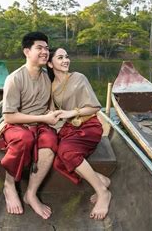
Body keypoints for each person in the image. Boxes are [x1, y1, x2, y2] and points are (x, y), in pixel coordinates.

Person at [0, 32, 62, 219]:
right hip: (18, 125)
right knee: (24, 139)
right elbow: (9, 117)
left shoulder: (47, 77)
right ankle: (9, 185)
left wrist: (52, 114)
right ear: (27, 51)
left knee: (50, 141)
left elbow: (48, 105)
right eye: (39, 48)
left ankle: (31, 194)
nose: (45, 52)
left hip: (41, 125)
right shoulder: (15, 79)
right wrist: (43, 119)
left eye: (47, 48)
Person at [46, 47, 112, 220]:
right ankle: (100, 179)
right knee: (54, 156)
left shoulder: (78, 78)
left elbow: (95, 107)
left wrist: (71, 113)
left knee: (67, 152)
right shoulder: (50, 87)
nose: (66, 60)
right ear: (50, 63)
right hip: (70, 128)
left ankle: (102, 192)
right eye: (60, 58)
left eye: (67, 57)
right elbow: (52, 113)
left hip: (89, 125)